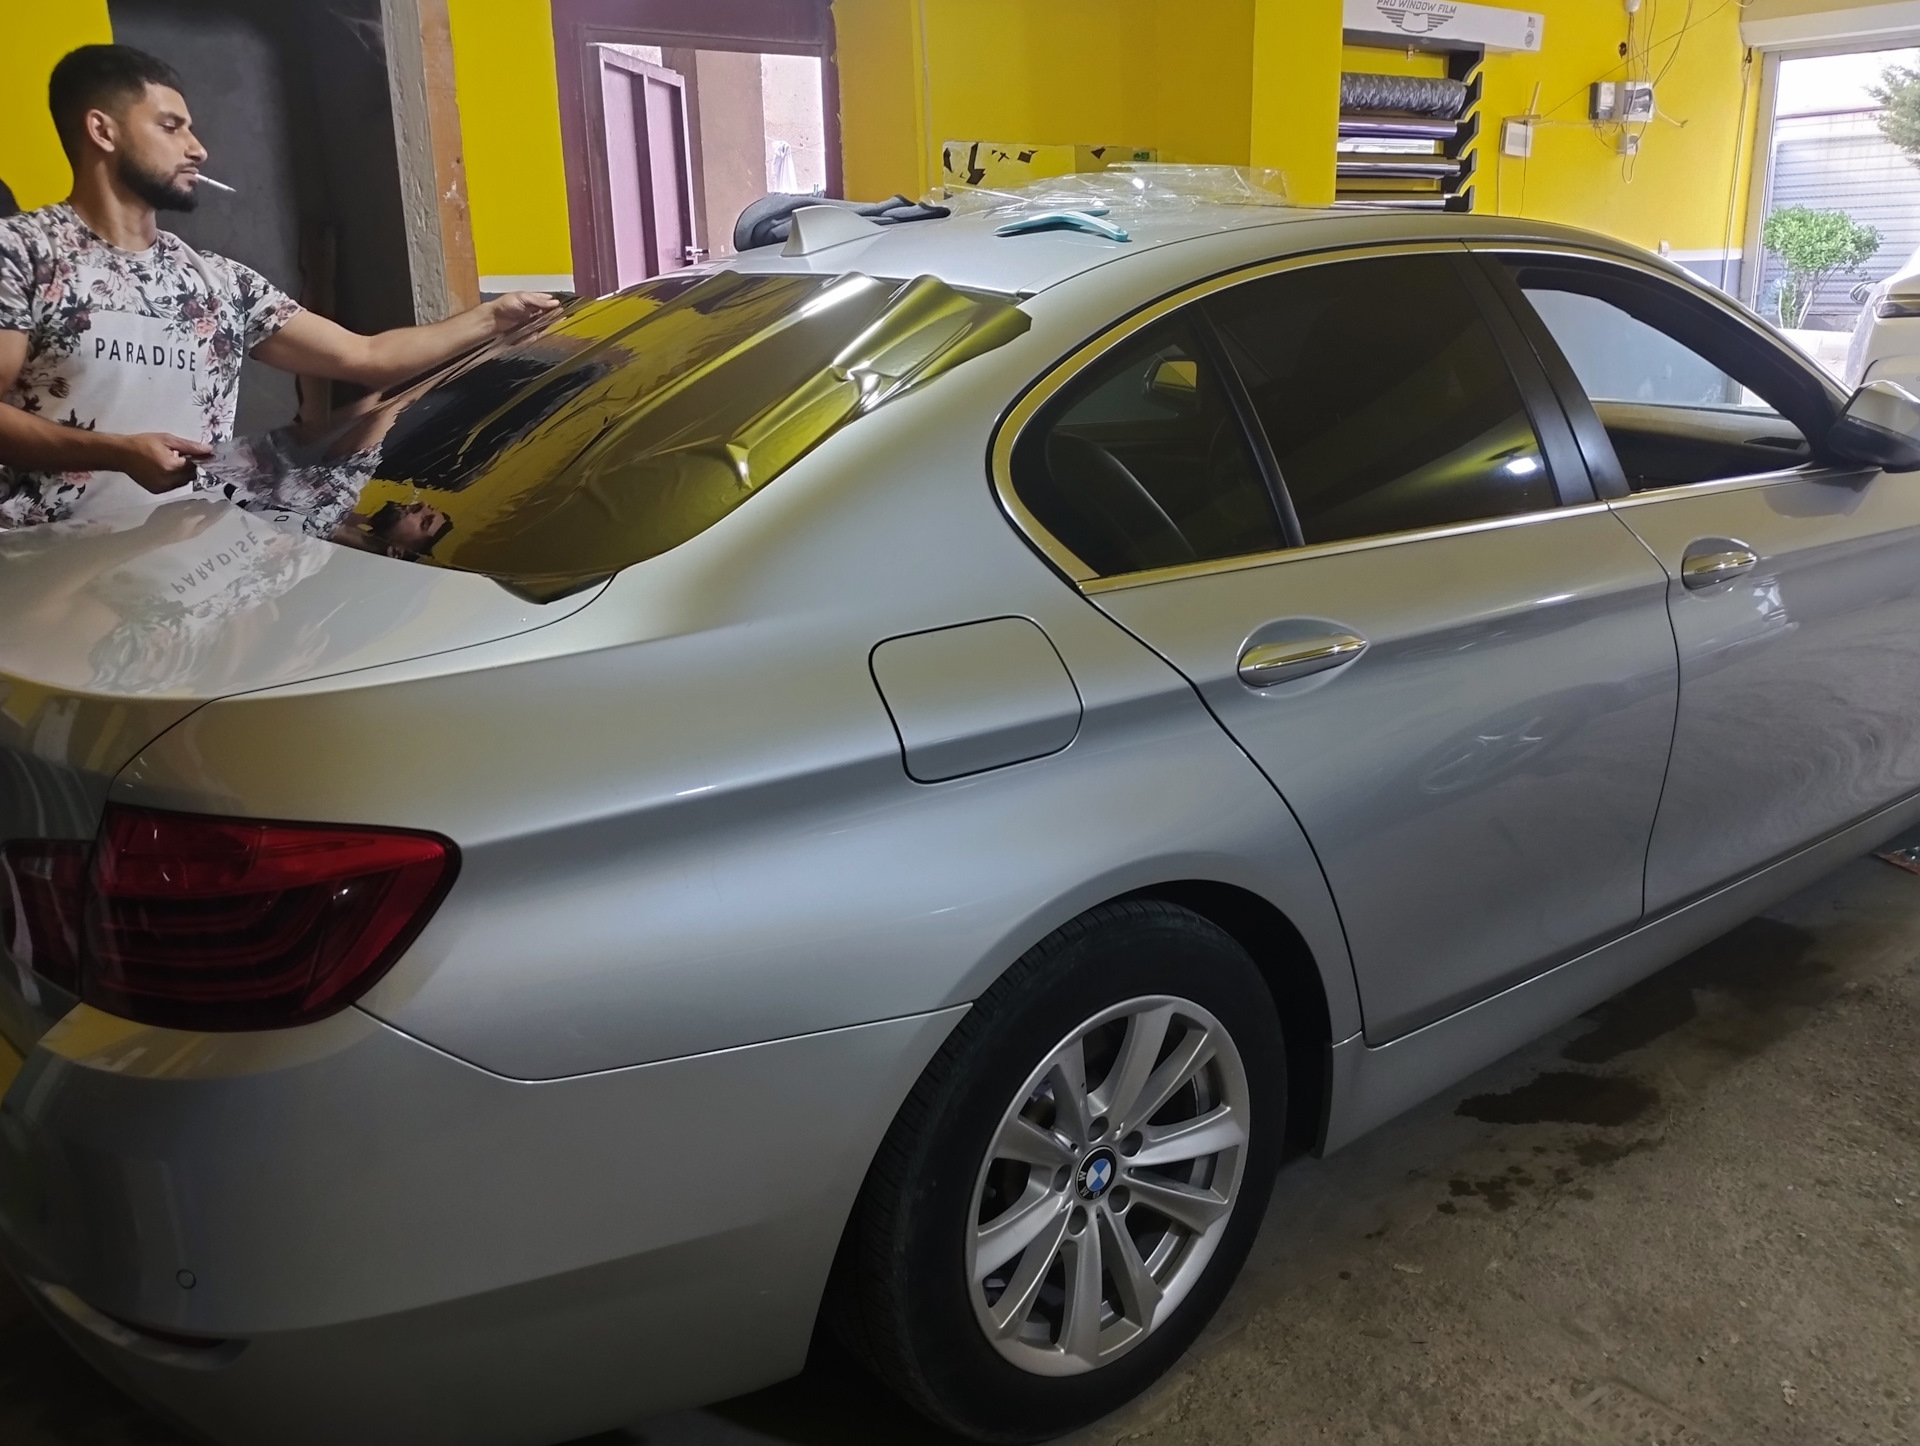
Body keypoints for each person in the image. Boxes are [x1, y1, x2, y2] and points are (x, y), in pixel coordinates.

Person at [0, 44, 559, 529]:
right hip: (45, 569)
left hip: (178, 562)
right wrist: (116, 453)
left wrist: (492, 317)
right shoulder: (24, 253)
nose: (197, 149)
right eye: (171, 127)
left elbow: (366, 357)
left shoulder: (219, 281)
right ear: (103, 130)